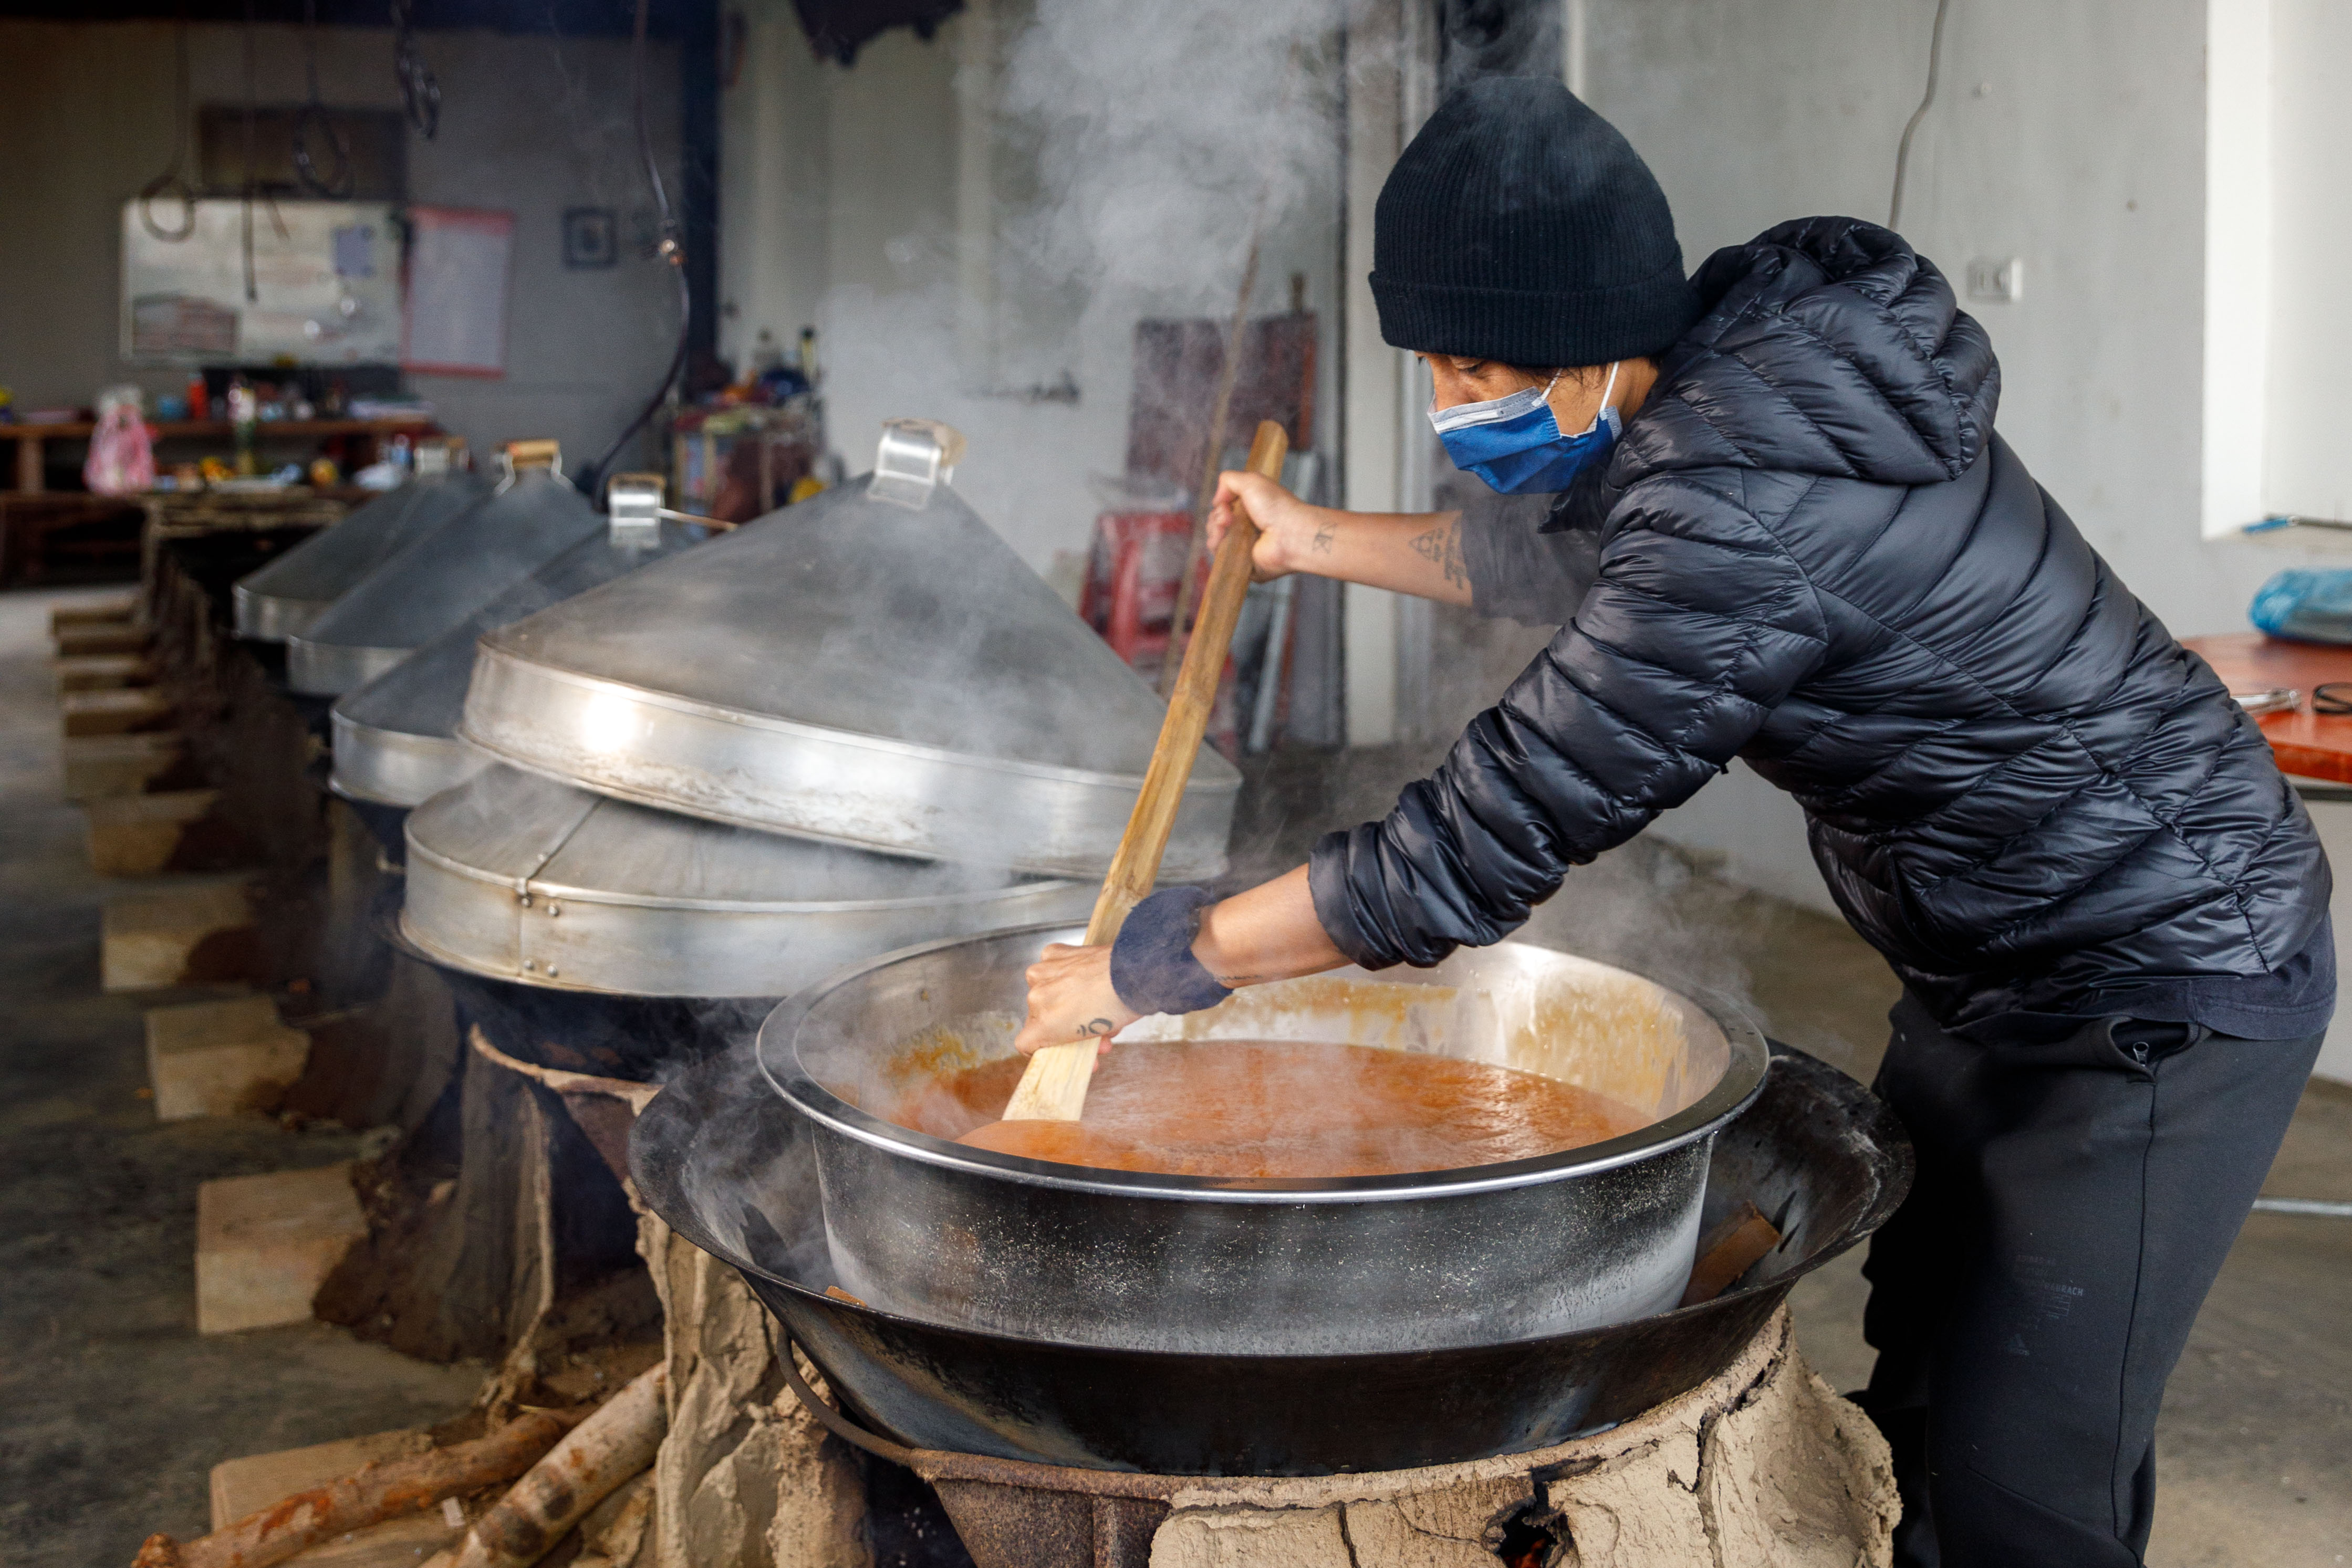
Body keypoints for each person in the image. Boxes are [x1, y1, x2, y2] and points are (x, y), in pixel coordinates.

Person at [1013, 76, 2332, 1567]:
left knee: (2026, 1467)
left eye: (1472, 364)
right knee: (1935, 1373)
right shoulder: (1732, 380)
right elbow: (1566, 561)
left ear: (1588, 348)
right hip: (2001, 951)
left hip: (2164, 969)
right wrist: (1310, 539)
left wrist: (1162, 963)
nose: (1451, 406)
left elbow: (1479, 837)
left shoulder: (1745, 504)